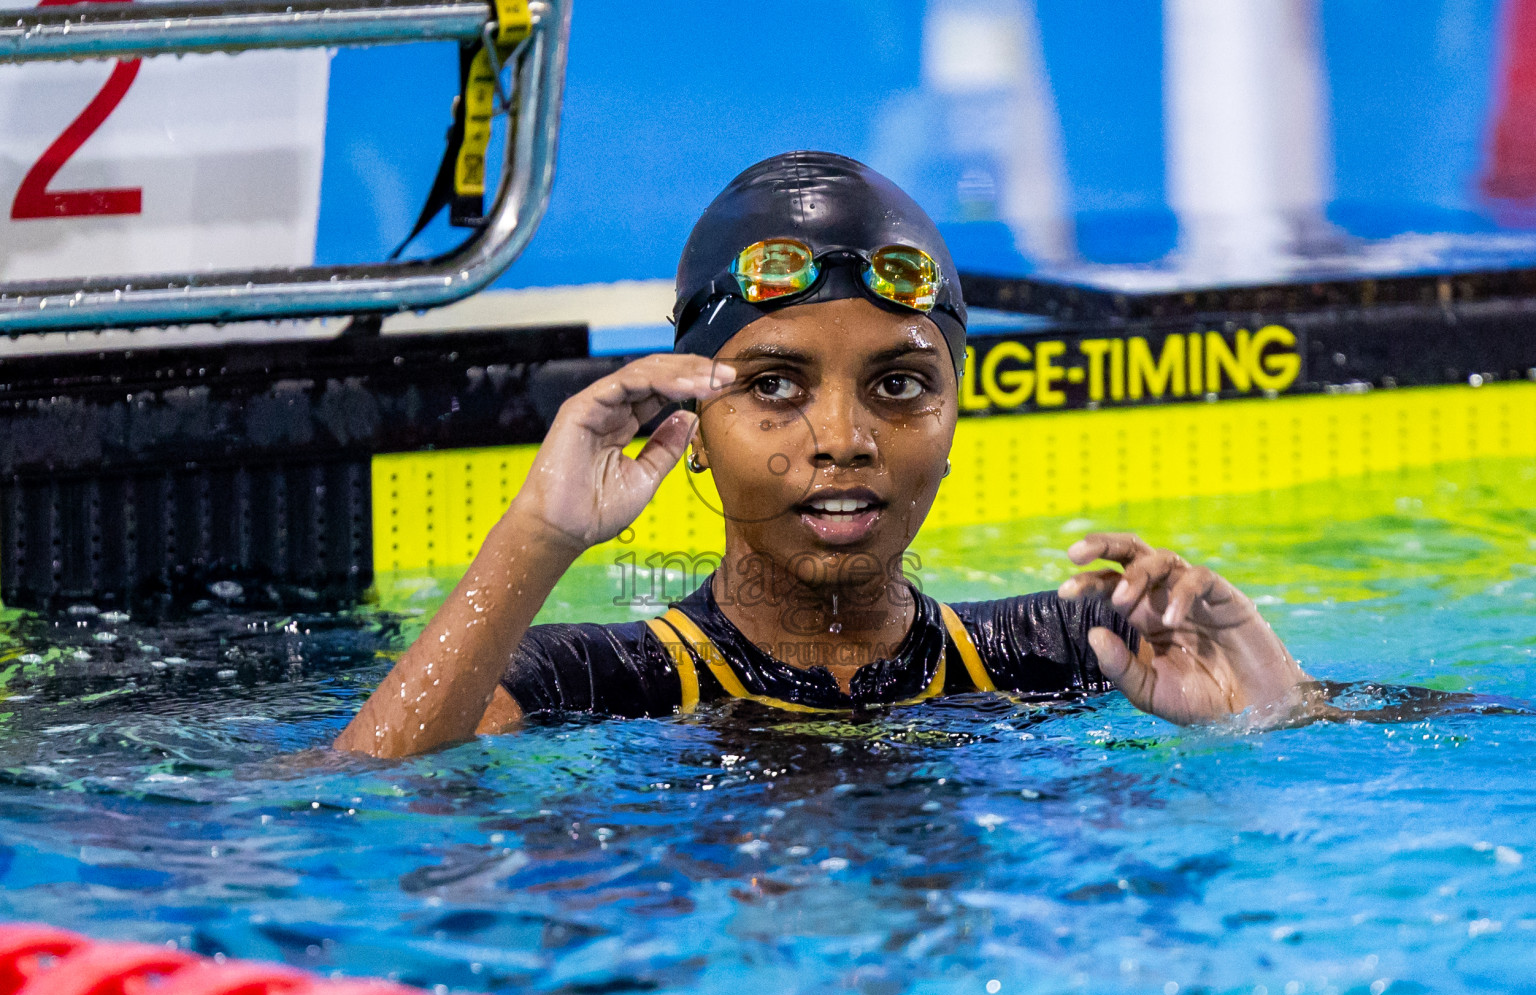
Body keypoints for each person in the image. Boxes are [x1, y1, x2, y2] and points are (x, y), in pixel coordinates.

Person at [335, 151, 1321, 760]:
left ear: (953, 417)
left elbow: (1452, 735)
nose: (844, 439)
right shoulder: (601, 680)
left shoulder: (1077, 649)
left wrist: (1272, 713)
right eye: (774, 386)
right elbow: (357, 798)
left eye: (898, 385)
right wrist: (539, 534)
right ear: (694, 427)